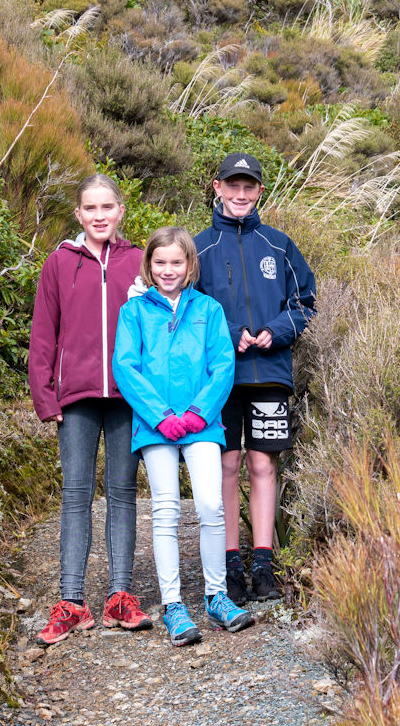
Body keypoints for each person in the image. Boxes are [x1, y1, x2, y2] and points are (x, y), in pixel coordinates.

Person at [113, 227, 254, 646]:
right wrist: (160, 415)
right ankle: (173, 605)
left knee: (210, 505)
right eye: (160, 263)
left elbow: (222, 366)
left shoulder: (208, 310)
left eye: (177, 262)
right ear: (149, 265)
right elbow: (126, 367)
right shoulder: (134, 312)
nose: (168, 270)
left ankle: (216, 596)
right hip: (155, 424)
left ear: (190, 265)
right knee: (167, 509)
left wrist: (197, 413)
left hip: (202, 423)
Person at [28, 175, 150, 645]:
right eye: (90, 208)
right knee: (75, 495)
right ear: (78, 215)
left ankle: (120, 597)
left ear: (120, 210)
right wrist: (46, 396)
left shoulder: (137, 263)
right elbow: (44, 333)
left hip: (128, 397)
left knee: (122, 493)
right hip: (74, 398)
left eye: (107, 207)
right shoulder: (59, 262)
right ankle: (71, 603)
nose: (99, 215)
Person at [194, 152, 316, 604]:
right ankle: (229, 565)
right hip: (219, 381)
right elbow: (187, 307)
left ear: (260, 191)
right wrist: (228, 335)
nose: (240, 194)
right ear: (217, 187)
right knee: (226, 465)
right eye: (233, 185)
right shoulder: (199, 247)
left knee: (263, 464)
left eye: (249, 187)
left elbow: (304, 301)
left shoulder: (280, 245)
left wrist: (275, 331)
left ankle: (262, 564)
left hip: (269, 376)